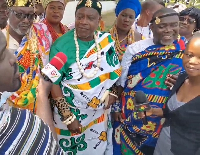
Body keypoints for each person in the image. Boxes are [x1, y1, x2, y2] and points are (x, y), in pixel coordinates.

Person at [49, 0, 121, 154]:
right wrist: (68, 116)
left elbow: (114, 72)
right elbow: (53, 83)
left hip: (98, 115)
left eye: (90, 18)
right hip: (70, 116)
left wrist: (114, 92)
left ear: (98, 21)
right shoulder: (60, 45)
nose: (83, 22)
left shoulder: (105, 41)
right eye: (79, 17)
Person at [113, 7, 186, 155]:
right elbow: (121, 83)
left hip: (166, 119)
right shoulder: (135, 49)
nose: (168, 30)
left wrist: (182, 80)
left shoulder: (186, 50)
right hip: (132, 115)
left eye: (174, 25)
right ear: (151, 27)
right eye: (162, 26)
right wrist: (115, 109)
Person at [0, 29, 64, 154]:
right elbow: (47, 142)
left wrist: (41, 94)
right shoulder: (18, 124)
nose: (13, 58)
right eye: (2, 55)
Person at [152, 33, 200, 155]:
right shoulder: (181, 78)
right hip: (161, 147)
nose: (192, 61)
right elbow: (173, 113)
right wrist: (151, 111)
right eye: (189, 55)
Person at [3, 0, 52, 113]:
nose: (26, 20)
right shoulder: (2, 40)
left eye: (30, 15)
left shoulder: (41, 33)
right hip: (7, 110)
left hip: (38, 106)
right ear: (7, 13)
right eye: (19, 15)